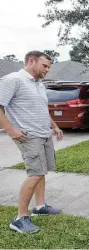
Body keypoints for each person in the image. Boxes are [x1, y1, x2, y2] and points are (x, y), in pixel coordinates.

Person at [0, 51, 63, 234]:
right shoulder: (13, 80)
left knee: (41, 170)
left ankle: (40, 206)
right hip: (28, 135)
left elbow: (43, 109)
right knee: (35, 173)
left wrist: (55, 126)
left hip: (44, 133)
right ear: (31, 61)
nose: (47, 70)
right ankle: (20, 218)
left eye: (49, 67)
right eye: (44, 66)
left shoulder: (39, 84)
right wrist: (11, 130)